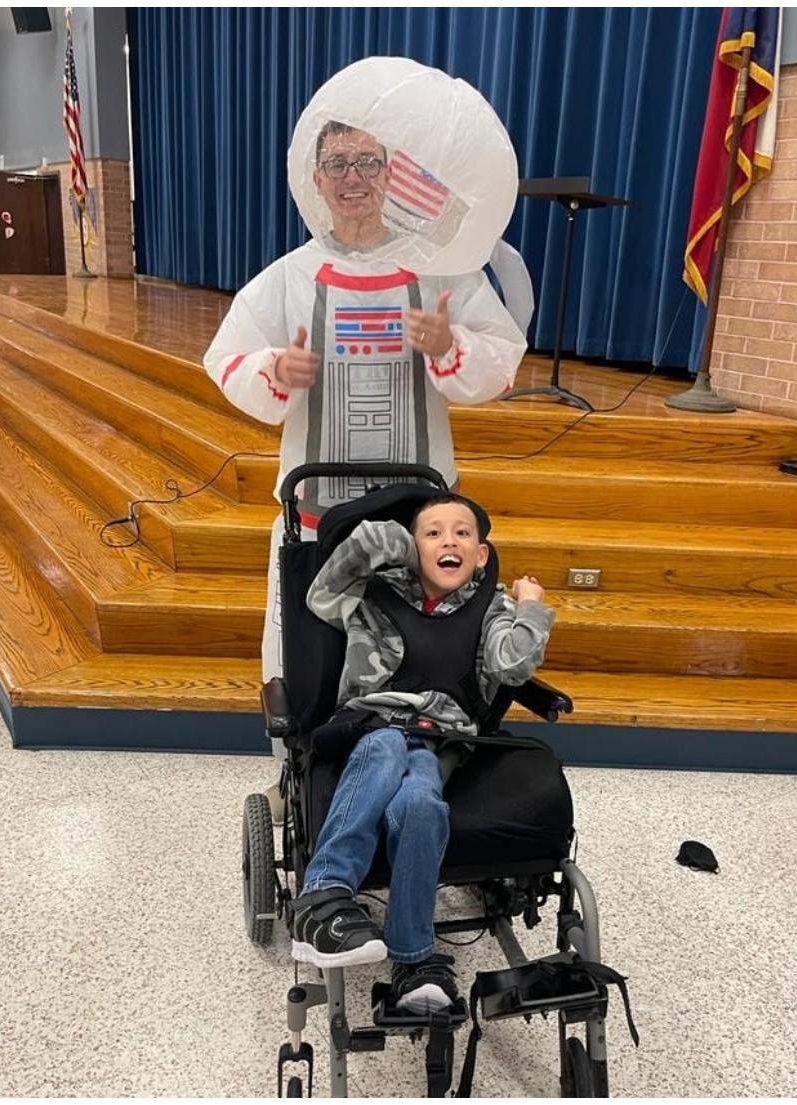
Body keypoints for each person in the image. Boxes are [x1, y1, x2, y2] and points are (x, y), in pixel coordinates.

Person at [201, 120, 527, 815]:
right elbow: (225, 359)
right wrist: (275, 370)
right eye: (338, 163)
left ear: (389, 173)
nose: (353, 178)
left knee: (431, 654)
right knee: (304, 654)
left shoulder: (441, 272)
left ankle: (427, 780)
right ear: (315, 180)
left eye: (367, 162)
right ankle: (300, 782)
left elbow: (502, 356)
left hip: (426, 528)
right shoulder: (287, 278)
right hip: (318, 519)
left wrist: (450, 344)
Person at [287, 492, 554, 1014]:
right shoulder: (371, 592)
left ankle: (413, 960)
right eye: (433, 533)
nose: (448, 541)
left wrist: (530, 607)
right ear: (412, 546)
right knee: (386, 746)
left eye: (462, 533)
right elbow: (322, 596)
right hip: (370, 722)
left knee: (422, 806)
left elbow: (515, 666)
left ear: (481, 553)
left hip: (442, 736)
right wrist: (398, 544)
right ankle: (322, 895)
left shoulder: (491, 608)